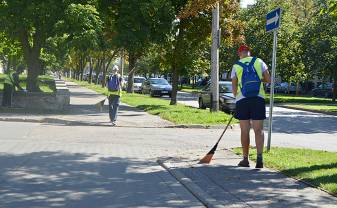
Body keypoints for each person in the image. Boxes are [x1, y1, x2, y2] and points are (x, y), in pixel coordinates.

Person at [231, 44, 271, 168]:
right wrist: (259, 80)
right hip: (258, 99)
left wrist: (236, 96)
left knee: (244, 130)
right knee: (258, 130)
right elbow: (268, 79)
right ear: (249, 52)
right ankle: (259, 159)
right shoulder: (259, 62)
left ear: (239, 53)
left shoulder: (236, 65)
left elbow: (234, 87)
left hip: (242, 100)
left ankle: (245, 159)